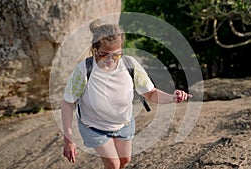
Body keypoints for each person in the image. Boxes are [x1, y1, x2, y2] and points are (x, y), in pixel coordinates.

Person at [61, 19, 192, 169]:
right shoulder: (84, 69)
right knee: (113, 164)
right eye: (104, 55)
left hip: (123, 124)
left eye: (116, 55)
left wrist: (172, 98)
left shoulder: (130, 65)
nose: (110, 60)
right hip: (94, 126)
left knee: (124, 161)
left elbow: (151, 93)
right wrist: (68, 139)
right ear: (95, 49)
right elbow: (68, 102)